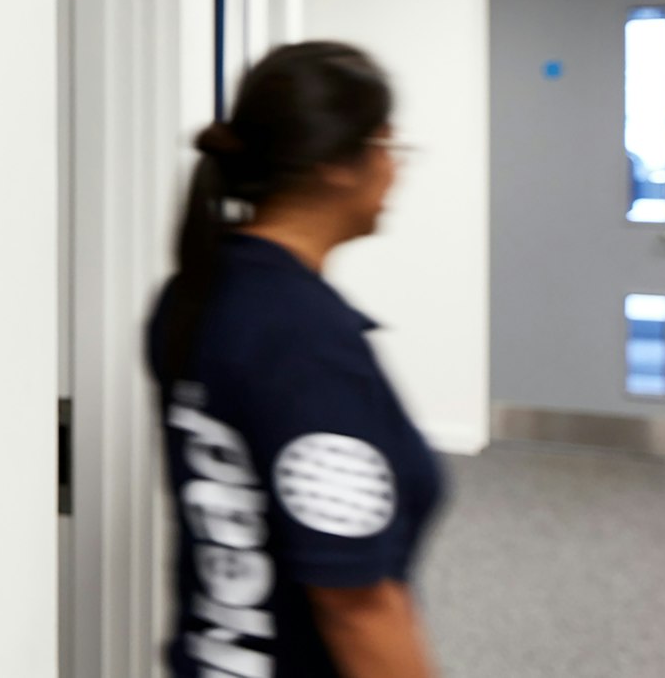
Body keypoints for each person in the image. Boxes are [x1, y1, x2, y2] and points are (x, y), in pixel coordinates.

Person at [146, 42, 444, 678]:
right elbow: (355, 603)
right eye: (388, 147)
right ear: (339, 163)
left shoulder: (197, 291)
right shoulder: (303, 339)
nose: (395, 170)